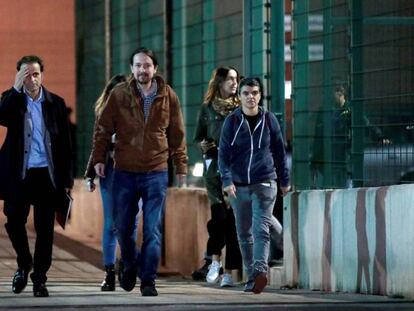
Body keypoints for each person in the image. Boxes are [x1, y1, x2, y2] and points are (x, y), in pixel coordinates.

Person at [90, 47, 188, 297]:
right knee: (123, 228)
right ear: (132, 68)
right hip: (124, 172)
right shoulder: (119, 94)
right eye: (137, 65)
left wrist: (181, 166)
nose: (142, 70)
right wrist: (99, 159)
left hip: (156, 171)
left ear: (155, 68)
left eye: (147, 65)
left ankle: (148, 280)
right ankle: (130, 264)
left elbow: (177, 133)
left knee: (153, 229)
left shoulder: (168, 95)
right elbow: (102, 129)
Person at [0, 55, 74, 297]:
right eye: (25, 74)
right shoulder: (11, 100)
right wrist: (14, 88)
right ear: (19, 76)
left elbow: (65, 145)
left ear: (42, 75)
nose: (31, 79)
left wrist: (67, 182)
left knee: (45, 230)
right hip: (19, 175)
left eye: (35, 74)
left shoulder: (56, 103)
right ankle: (24, 262)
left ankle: (39, 279)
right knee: (13, 221)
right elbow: (2, 117)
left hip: (47, 175)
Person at [218, 77, 290, 294]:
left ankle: (259, 273)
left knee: (260, 229)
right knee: (244, 233)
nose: (251, 97)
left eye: (255, 93)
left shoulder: (269, 121)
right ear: (239, 96)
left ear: (260, 95)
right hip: (238, 186)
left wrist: (285, 181)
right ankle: (251, 276)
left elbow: (279, 151)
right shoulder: (231, 122)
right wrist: (227, 180)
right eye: (246, 93)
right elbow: (223, 154)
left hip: (265, 182)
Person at [84, 74, 138, 291]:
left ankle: (126, 265)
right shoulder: (103, 115)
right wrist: (89, 174)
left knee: (131, 223)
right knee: (112, 224)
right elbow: (97, 144)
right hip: (110, 173)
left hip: (136, 172)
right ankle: (109, 272)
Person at [193, 66, 243, 287]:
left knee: (232, 224)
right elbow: (198, 137)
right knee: (219, 219)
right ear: (220, 82)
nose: (234, 83)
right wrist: (203, 145)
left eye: (236, 79)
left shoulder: (241, 107)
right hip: (213, 172)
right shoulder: (207, 109)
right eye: (230, 79)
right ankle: (215, 260)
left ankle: (230, 273)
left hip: (236, 172)